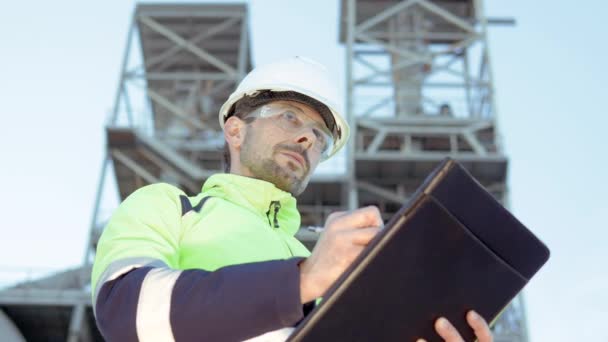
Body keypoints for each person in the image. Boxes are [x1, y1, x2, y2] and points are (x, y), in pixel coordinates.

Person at [91, 56, 494, 342]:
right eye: (289, 116)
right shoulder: (168, 206)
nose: (308, 138)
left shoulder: (317, 265)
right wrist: (301, 280)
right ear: (235, 130)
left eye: (321, 136)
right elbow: (126, 311)